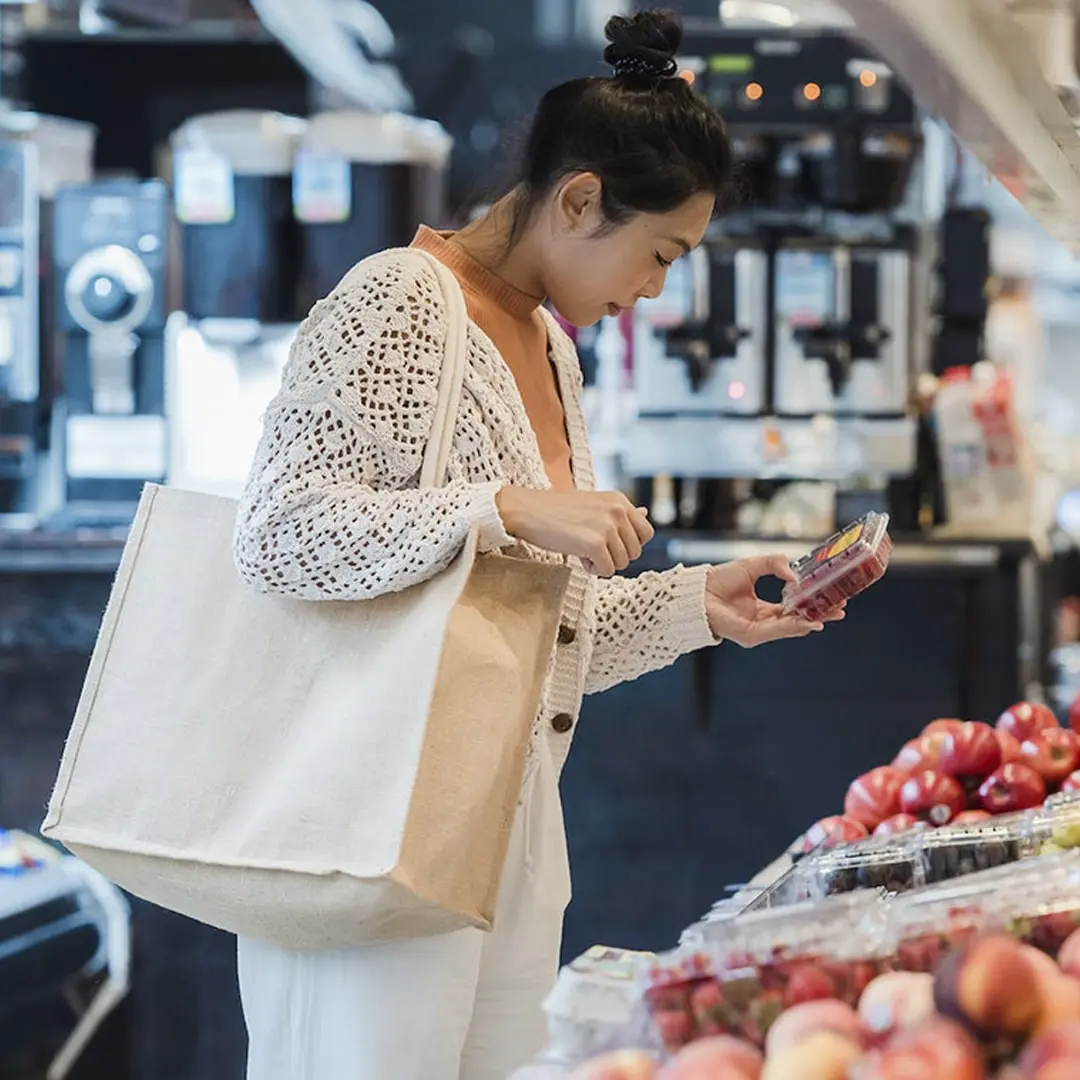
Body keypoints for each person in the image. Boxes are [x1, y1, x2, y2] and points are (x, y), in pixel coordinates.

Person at [231, 10, 843, 1080]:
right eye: (659, 254)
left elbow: (532, 636)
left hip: (509, 839)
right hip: (370, 834)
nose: (655, 289)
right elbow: (279, 538)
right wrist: (505, 508)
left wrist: (705, 604)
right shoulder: (395, 304)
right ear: (577, 200)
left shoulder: (554, 355)